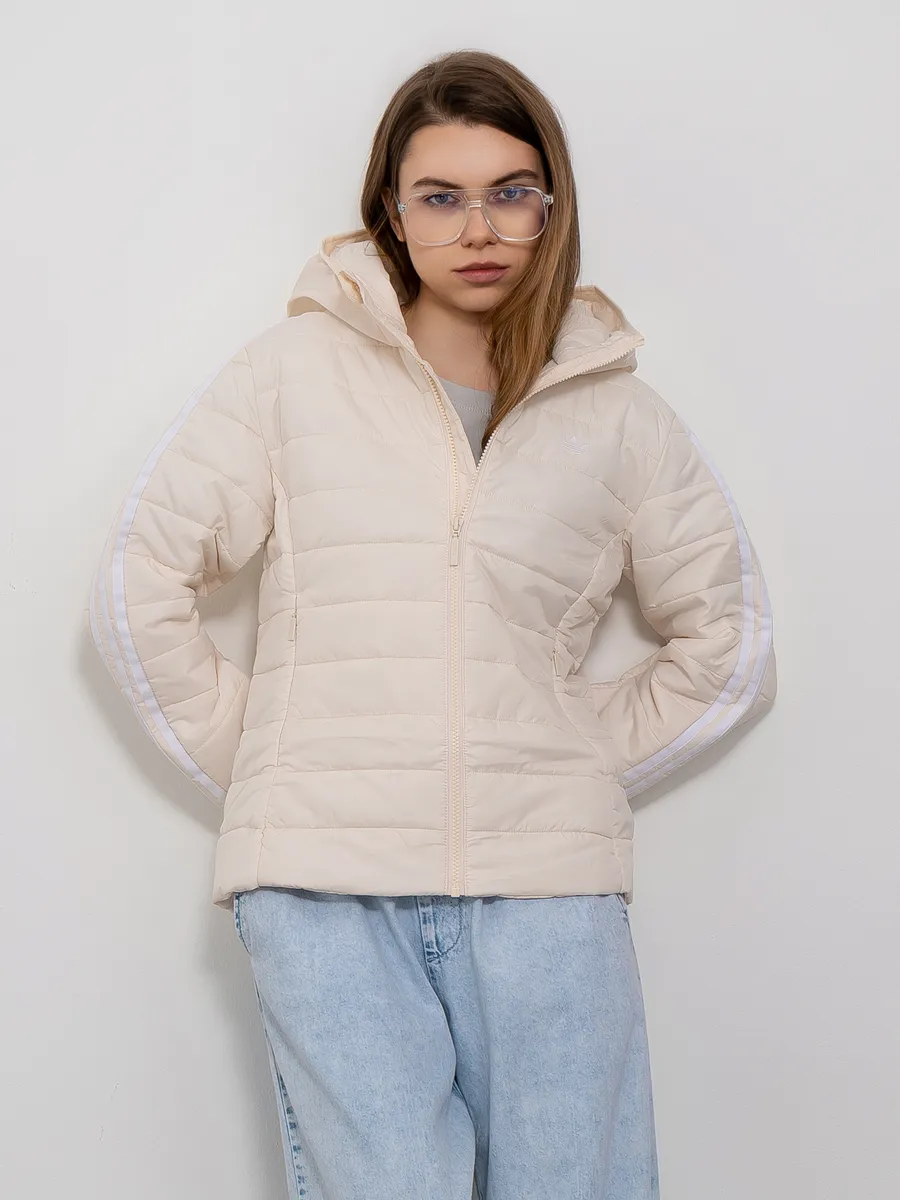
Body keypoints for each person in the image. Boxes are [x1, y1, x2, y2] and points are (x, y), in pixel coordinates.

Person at [89, 48, 776, 1200]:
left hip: (546, 895)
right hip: (323, 892)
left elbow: (730, 644)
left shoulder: (622, 416)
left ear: (551, 207)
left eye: (511, 192)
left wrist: (559, 755)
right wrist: (278, 764)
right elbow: (138, 583)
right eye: (442, 197)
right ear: (393, 213)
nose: (480, 229)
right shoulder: (289, 375)